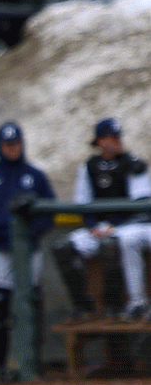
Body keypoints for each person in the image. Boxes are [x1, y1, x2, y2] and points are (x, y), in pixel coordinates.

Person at [0, 122, 55, 384]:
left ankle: (32, 364)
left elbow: (49, 211)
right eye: (7, 145)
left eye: (15, 144)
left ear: (22, 144)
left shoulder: (34, 176)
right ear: (0, 146)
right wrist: (4, 231)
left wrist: (28, 234)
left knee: (30, 304)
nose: (12, 149)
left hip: (29, 251)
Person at [56, 117, 151, 320]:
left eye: (118, 137)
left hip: (129, 225)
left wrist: (112, 224)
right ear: (100, 141)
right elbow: (83, 203)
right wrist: (93, 226)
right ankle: (83, 305)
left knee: (117, 242)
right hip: (100, 227)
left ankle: (123, 304)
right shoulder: (89, 166)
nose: (117, 141)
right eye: (111, 137)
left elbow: (141, 205)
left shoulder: (133, 163)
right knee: (63, 247)